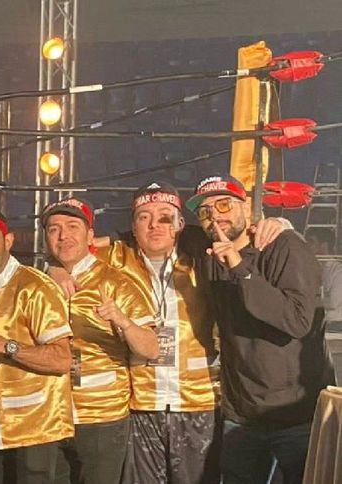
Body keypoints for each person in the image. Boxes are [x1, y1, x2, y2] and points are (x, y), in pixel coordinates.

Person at [185, 174, 336, 484]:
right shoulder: (207, 248)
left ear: (247, 209)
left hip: (297, 414)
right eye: (205, 211)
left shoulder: (285, 247)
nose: (215, 216)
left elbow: (297, 321)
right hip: (242, 414)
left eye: (224, 205)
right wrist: (93, 245)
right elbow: (154, 230)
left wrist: (240, 269)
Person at [105, 182, 221, 484]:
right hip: (143, 404)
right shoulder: (117, 259)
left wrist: (280, 223)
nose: (154, 225)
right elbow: (72, 252)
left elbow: (245, 238)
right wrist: (56, 269)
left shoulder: (202, 258)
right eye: (144, 217)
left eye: (164, 217)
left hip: (198, 402)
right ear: (133, 227)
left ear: (180, 224)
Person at [41, 197, 159, 484]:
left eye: (73, 227)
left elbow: (151, 347)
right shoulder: (37, 282)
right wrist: (51, 270)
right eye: (54, 229)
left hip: (101, 417)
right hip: (51, 415)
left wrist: (122, 321)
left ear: (90, 235)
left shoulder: (116, 282)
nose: (63, 236)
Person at [0, 208, 74, 484]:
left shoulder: (35, 287)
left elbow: (62, 359)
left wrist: (5, 346)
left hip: (35, 426)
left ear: (8, 241)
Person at [305, 227, 342, 335]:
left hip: (334, 326)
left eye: (311, 242)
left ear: (323, 245)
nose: (307, 246)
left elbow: (334, 302)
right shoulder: (313, 267)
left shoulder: (338, 271)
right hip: (317, 324)